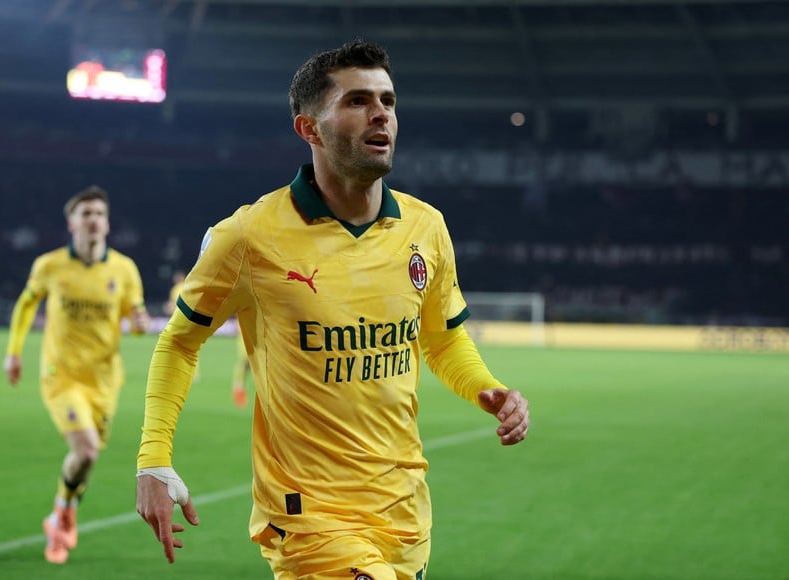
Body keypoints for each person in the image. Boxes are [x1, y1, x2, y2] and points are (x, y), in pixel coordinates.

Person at [135, 40, 530, 578]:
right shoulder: (249, 236)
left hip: (404, 509)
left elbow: (441, 339)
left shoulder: (425, 227)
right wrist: (153, 460)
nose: (381, 114)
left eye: (388, 101)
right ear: (310, 129)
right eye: (358, 101)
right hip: (308, 519)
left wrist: (487, 387)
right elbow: (179, 341)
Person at [4, 185, 150, 565]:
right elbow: (25, 305)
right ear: (72, 224)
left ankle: (59, 515)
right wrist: (13, 353)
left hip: (104, 380)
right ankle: (63, 514)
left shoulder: (124, 269)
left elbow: (135, 321)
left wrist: (138, 323)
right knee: (84, 449)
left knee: (87, 458)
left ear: (107, 223)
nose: (94, 220)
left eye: (99, 213)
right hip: (61, 376)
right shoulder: (50, 266)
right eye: (86, 213)